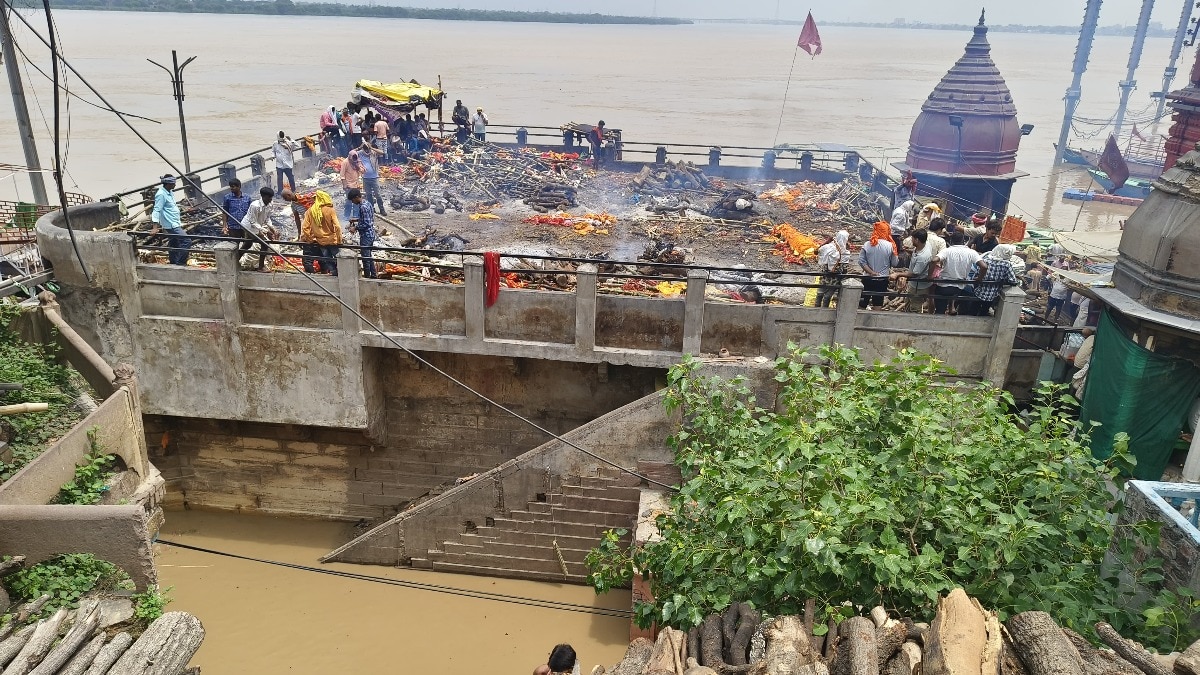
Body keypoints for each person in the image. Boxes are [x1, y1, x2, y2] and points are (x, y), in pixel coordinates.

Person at [933, 231, 987, 315]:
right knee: (966, 296)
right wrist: (979, 278)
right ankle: (953, 309)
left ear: (951, 241)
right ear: (963, 241)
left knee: (939, 311)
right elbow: (984, 266)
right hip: (960, 287)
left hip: (943, 286)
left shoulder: (946, 251)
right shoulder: (972, 252)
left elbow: (934, 260)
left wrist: (929, 275)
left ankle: (939, 320)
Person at [149, 174, 191, 266]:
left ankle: (173, 262)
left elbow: (171, 206)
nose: (175, 185)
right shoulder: (161, 194)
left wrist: (184, 208)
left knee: (174, 242)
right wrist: (155, 227)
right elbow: (156, 210)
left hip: (175, 221)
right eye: (173, 183)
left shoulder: (170, 192)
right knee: (187, 241)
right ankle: (180, 263)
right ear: (168, 184)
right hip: (170, 224)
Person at [858, 221, 899, 309]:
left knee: (862, 302)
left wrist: (871, 272)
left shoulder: (867, 244)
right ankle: (875, 322)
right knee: (878, 303)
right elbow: (895, 263)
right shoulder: (890, 246)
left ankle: (859, 321)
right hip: (882, 279)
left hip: (867, 278)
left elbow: (861, 262)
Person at [891, 229, 933, 312]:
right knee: (908, 301)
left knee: (915, 306)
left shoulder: (923, 257)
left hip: (918, 286)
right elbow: (915, 251)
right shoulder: (925, 244)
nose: (911, 240)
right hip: (913, 285)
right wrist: (909, 250)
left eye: (912, 238)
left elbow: (914, 274)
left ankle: (915, 321)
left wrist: (898, 274)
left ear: (917, 240)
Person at [300, 190, 341, 274]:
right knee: (339, 258)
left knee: (327, 259)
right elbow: (337, 226)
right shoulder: (330, 210)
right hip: (332, 240)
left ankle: (334, 272)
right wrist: (339, 240)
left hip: (321, 241)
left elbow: (305, 228)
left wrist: (310, 239)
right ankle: (341, 274)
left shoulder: (310, 211)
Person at [972, 243, 1019, 316]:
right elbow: (1013, 280)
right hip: (993, 294)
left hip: (978, 291)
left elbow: (977, 273)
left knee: (974, 309)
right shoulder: (1006, 264)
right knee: (984, 311)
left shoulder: (985, 260)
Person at [237, 186, 275, 271]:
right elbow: (252, 222)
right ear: (263, 196)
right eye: (269, 197)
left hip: (257, 226)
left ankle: (234, 261)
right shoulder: (255, 206)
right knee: (264, 244)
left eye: (271, 197)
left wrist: (271, 227)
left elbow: (267, 218)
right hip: (248, 226)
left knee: (247, 244)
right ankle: (261, 267)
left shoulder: (270, 204)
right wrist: (266, 231)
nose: (270, 199)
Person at [345, 188, 377, 279]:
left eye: (352, 200)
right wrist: (356, 219)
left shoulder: (363, 207)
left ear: (356, 197)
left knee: (365, 259)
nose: (352, 202)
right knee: (369, 256)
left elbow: (366, 223)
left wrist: (355, 227)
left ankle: (367, 278)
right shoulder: (367, 203)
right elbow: (368, 218)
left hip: (366, 236)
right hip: (371, 234)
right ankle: (374, 276)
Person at [815, 229, 851, 308]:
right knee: (827, 297)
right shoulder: (845, 252)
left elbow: (816, 251)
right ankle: (824, 314)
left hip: (825, 276)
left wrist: (827, 241)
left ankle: (816, 313)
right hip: (836, 278)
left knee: (819, 294)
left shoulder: (828, 247)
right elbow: (844, 268)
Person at [357, 143, 387, 215]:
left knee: (378, 194)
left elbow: (382, 152)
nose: (367, 151)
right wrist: (359, 147)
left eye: (368, 149)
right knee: (368, 194)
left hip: (374, 177)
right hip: (365, 178)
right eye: (365, 149)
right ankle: (371, 209)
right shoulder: (360, 153)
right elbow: (350, 153)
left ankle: (382, 209)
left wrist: (372, 148)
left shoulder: (373, 153)